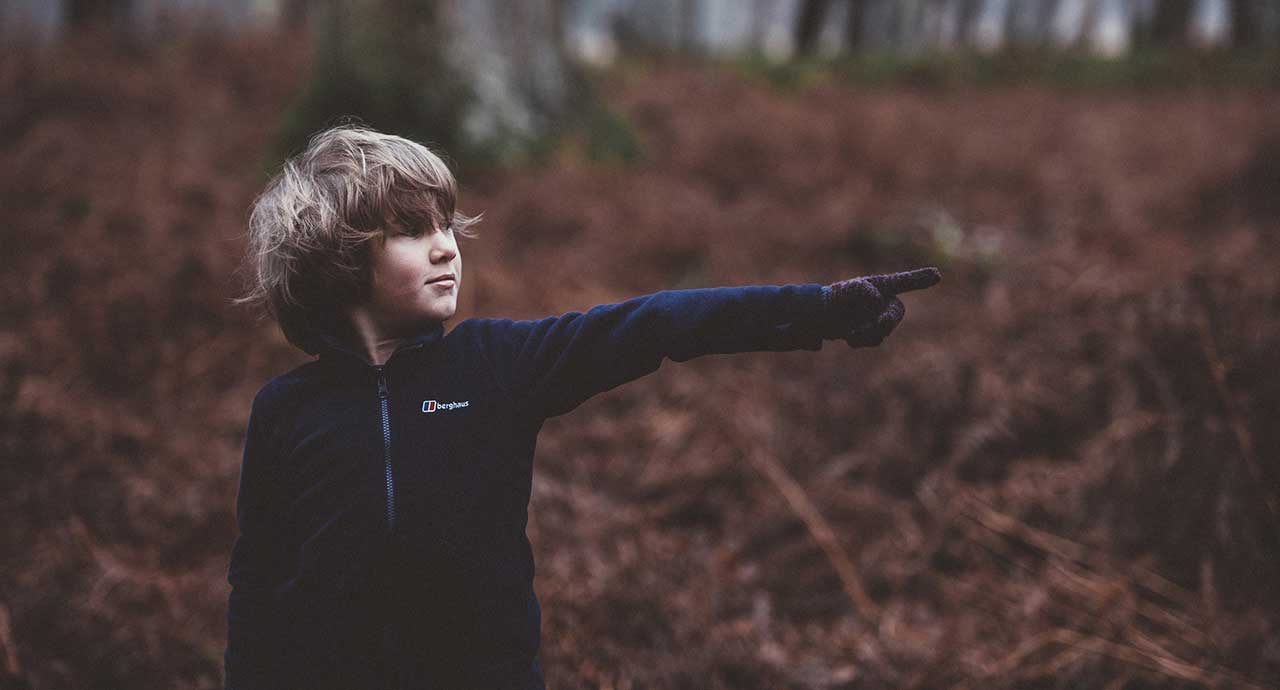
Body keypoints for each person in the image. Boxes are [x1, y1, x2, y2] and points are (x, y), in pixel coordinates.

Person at [225, 124, 941, 690]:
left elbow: (656, 325)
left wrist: (817, 309)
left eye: (448, 227)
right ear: (339, 259)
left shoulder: (497, 365)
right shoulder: (285, 412)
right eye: (414, 231)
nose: (447, 249)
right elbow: (256, 586)